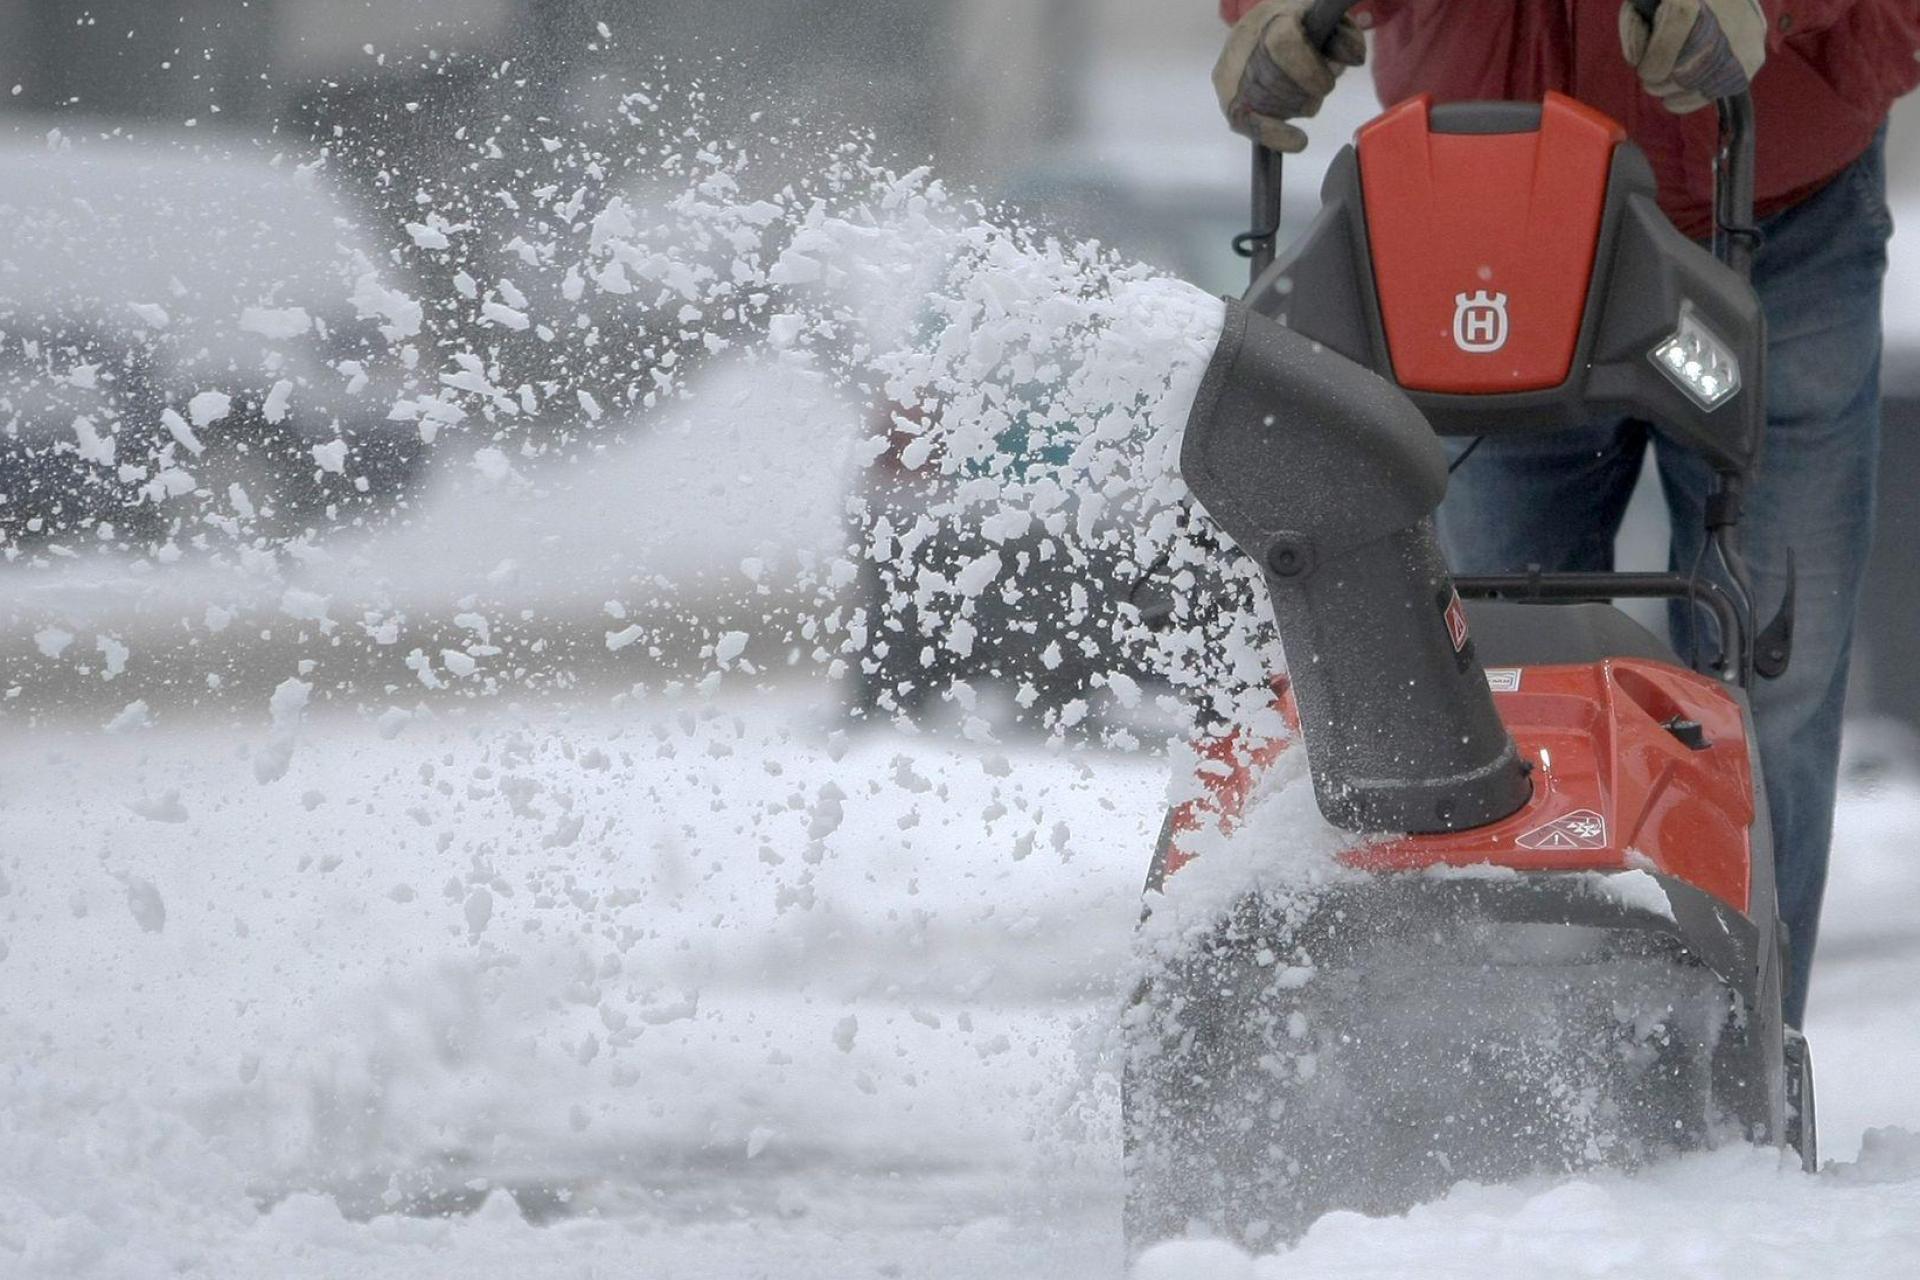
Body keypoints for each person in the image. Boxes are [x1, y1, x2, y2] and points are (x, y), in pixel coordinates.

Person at [1211, 0, 1920, 1027]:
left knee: (1775, 676)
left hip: (1775, 212)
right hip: (1492, 211)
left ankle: (1745, 1044)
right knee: (1493, 666)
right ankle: (1515, 1047)